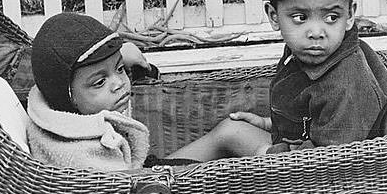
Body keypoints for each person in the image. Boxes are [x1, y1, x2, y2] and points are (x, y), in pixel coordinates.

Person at [26, 12, 268, 170]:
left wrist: (121, 60)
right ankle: (293, 179)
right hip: (149, 190)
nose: (119, 83)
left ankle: (295, 163)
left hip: (147, 172)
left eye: (120, 69)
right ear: (67, 97)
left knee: (232, 129)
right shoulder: (83, 156)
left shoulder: (76, 112)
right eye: (99, 82)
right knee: (234, 135)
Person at [230, 0, 387, 152]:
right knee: (232, 128)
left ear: (350, 14)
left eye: (332, 17)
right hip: (297, 150)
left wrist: (266, 154)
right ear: (273, 16)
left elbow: (330, 162)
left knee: (229, 134)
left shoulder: (346, 83)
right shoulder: (305, 55)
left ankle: (175, 179)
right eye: (300, 17)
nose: (316, 33)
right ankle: (174, 177)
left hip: (317, 175)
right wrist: (267, 124)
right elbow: (308, 116)